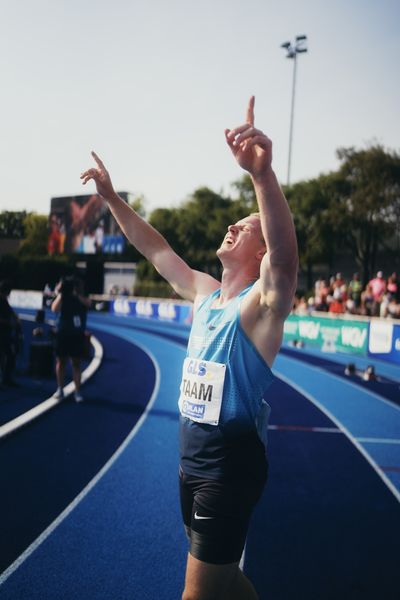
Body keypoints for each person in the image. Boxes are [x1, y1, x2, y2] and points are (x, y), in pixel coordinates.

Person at [81, 96, 298, 600]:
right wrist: (113, 198)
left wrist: (261, 177)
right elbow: (155, 248)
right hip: (190, 460)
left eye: (244, 227)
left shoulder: (259, 308)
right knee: (224, 580)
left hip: (228, 466)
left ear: (260, 250)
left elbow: (284, 264)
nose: (232, 226)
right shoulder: (203, 291)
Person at [51, 276, 91, 402]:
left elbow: (88, 304)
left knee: (76, 364)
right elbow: (54, 308)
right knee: (61, 362)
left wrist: (76, 294)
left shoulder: (81, 298)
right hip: (62, 334)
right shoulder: (63, 297)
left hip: (76, 335)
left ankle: (77, 391)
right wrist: (61, 293)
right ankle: (60, 389)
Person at [0, 280, 23, 386]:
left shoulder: (4, 300)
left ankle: (7, 378)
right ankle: (5, 378)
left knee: (10, 355)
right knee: (7, 355)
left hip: (6, 333)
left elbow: (10, 311)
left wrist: (15, 317)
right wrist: (9, 322)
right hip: (2, 332)